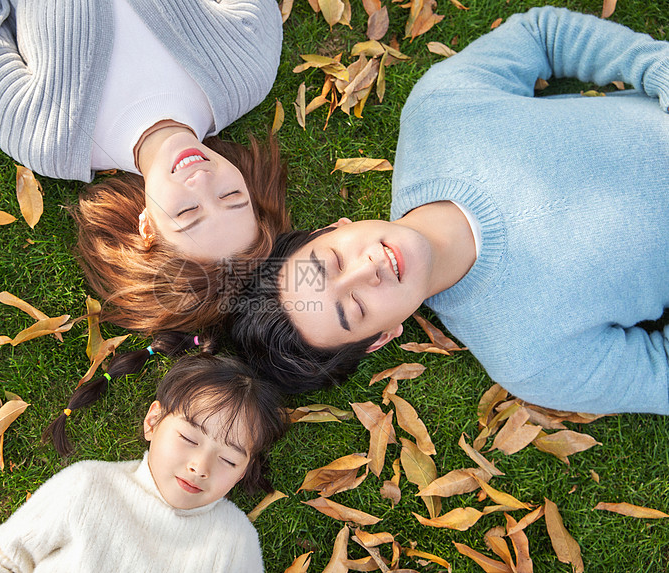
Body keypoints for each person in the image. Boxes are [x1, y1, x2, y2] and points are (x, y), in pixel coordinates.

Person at [230, 6, 669, 415]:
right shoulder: (529, 360)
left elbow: (541, 35)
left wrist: (658, 69)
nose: (368, 269)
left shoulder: (439, 113)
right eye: (357, 306)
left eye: (334, 261)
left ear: (334, 227)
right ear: (381, 338)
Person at [0, 0, 291, 333]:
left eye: (187, 212)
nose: (201, 180)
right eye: (231, 196)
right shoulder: (246, 72)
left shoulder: (47, 139)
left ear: (146, 227)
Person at [0, 351, 287, 572]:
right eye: (189, 439)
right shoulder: (88, 485)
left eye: (228, 460)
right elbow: (1, 559)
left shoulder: (233, 540)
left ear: (245, 469)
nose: (200, 467)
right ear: (153, 421)